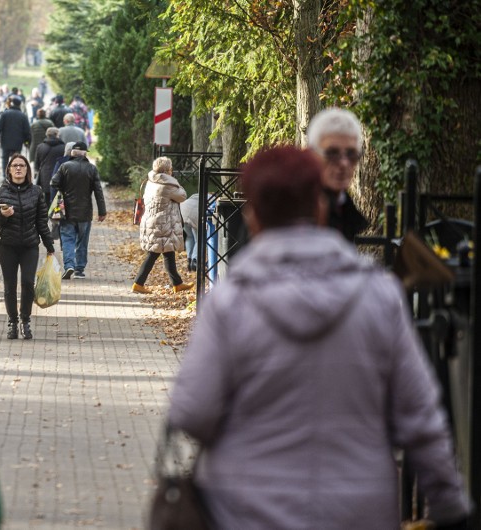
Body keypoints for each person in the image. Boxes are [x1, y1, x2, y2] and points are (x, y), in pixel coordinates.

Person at [168, 146, 471, 530]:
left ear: (253, 218)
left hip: (244, 508)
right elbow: (420, 416)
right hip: (360, 509)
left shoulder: (230, 303)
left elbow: (191, 413)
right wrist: (449, 505)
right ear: (321, 207)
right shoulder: (379, 295)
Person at [0, 153, 56, 340]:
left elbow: (42, 221)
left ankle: (25, 320)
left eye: (22, 166)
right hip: (7, 246)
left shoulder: (36, 192)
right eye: (15, 166)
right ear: (9, 170)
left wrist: (49, 245)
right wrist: (3, 215)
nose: (18, 168)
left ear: (27, 170)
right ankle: (12, 322)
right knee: (10, 286)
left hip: (29, 245)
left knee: (27, 283)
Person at [131, 157, 193, 293]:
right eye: (170, 169)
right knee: (153, 254)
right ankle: (138, 283)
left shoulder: (151, 181)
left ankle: (177, 283)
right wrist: (177, 183)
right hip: (163, 223)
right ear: (167, 170)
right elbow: (182, 196)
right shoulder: (167, 185)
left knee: (168, 253)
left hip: (153, 221)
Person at [307, 107, 369, 242]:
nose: (344, 163)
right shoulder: (293, 214)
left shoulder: (345, 208)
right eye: (332, 154)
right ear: (312, 155)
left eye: (351, 154)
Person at [50, 141, 106, 279]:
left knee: (68, 238)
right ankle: (79, 269)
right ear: (85, 153)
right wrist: (102, 211)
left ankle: (69, 265)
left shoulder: (65, 166)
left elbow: (53, 182)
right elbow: (98, 191)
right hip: (85, 212)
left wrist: (63, 189)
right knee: (82, 240)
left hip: (67, 211)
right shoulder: (92, 169)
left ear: (72, 153)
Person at [0, 96, 31, 178]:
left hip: (5, 141)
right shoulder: (22, 116)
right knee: (16, 159)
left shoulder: (4, 114)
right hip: (18, 142)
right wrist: (27, 141)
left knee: (5, 159)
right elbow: (27, 130)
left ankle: (5, 175)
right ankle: (14, 175)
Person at [34, 127, 64, 203]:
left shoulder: (40, 146)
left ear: (47, 135)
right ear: (57, 135)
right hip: (59, 175)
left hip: (45, 174)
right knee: (58, 197)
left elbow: (37, 163)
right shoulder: (63, 147)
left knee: (47, 197)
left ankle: (47, 213)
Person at [179, 193, 201, 272]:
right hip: (195, 216)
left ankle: (189, 258)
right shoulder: (210, 198)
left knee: (189, 237)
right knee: (198, 239)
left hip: (183, 215)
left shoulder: (193, 197)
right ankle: (195, 260)